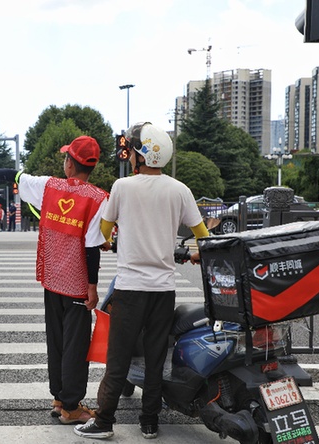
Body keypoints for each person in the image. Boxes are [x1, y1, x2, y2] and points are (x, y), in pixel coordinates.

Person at [0, 135, 108, 425]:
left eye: (66, 157)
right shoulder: (98, 198)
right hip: (77, 285)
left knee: (57, 341)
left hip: (51, 279)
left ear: (70, 163)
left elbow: (13, 175)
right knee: (76, 346)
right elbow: (92, 247)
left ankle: (59, 398)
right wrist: (92, 287)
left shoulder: (47, 186)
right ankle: (70, 407)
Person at [74, 122, 209, 440]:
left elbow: (104, 231)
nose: (131, 155)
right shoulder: (180, 190)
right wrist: (195, 254)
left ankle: (104, 421)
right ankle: (149, 422)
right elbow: (203, 236)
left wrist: (111, 240)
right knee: (155, 357)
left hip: (130, 289)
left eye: (133, 151)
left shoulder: (123, 186)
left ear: (141, 156)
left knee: (118, 357)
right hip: (163, 290)